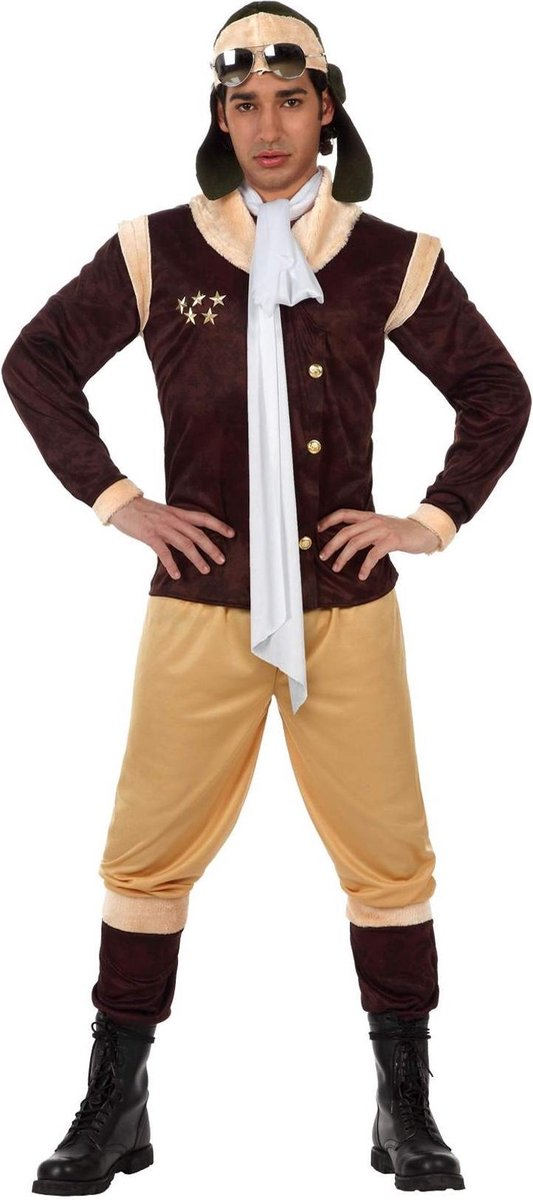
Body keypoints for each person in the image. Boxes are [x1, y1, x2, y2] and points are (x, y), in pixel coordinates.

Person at [2, 2, 530, 1194]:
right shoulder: (156, 250)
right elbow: (34, 363)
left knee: (388, 855)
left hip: (348, 606)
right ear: (221, 117)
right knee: (144, 853)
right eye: (244, 104)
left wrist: (427, 519)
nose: (268, 126)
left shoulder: (390, 257)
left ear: (325, 109)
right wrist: (120, 500)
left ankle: (404, 1104)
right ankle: (115, 1098)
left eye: (290, 100)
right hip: (197, 605)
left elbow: (497, 393)